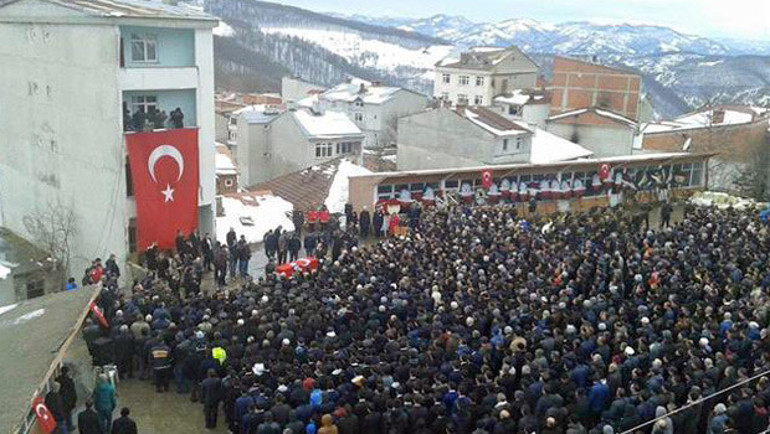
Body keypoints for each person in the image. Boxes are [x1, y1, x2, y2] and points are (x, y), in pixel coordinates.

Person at [56, 366, 78, 431]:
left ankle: (64, 427)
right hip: (68, 402)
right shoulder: (69, 381)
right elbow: (73, 393)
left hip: (60, 401)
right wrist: (74, 402)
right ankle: (69, 427)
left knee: (62, 415)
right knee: (68, 415)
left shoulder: (57, 379)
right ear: (67, 372)